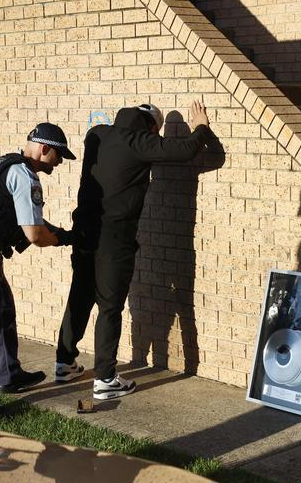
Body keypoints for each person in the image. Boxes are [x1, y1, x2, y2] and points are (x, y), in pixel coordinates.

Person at [55, 100, 211, 400]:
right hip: (114, 239)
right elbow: (185, 150)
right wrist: (200, 128)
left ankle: (64, 362)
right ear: (151, 126)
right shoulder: (139, 141)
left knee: (80, 295)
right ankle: (105, 379)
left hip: (84, 232)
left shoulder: (97, 135)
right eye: (158, 130)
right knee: (109, 305)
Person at [0, 123, 75, 417]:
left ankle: (10, 375)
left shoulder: (5, 164)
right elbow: (34, 234)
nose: (59, 162)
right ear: (44, 148)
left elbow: (20, 219)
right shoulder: (24, 175)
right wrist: (63, 240)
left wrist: (64, 234)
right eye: (58, 155)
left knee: (4, 314)